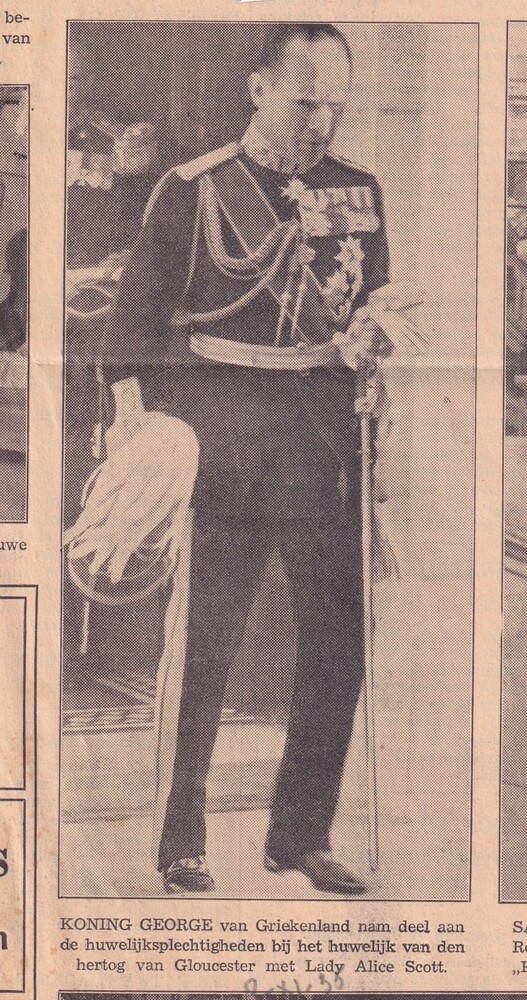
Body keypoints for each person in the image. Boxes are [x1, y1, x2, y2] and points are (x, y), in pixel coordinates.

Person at [103, 22, 391, 895]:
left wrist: (371, 349)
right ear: (259, 90)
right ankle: (181, 839)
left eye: (334, 105)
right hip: (225, 440)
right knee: (208, 646)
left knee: (338, 638)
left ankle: (300, 834)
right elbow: (129, 328)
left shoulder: (358, 190)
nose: (320, 123)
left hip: (322, 443)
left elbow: (373, 305)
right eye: (305, 103)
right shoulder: (193, 190)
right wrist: (138, 431)